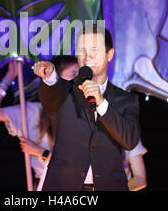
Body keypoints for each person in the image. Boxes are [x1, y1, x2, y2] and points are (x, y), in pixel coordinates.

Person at [34, 23, 140, 191]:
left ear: (109, 54)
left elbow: (130, 141)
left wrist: (102, 103)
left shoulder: (126, 100)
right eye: (81, 50)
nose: (87, 56)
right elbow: (52, 94)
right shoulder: (66, 91)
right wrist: (50, 75)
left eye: (94, 50)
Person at [0, 56, 79, 189]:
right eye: (74, 75)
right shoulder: (34, 112)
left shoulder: (84, 113)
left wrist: (41, 152)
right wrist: (10, 76)